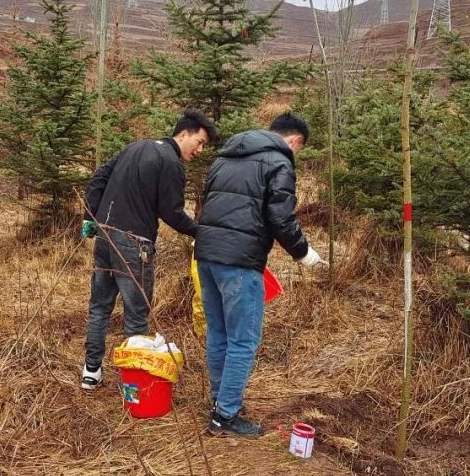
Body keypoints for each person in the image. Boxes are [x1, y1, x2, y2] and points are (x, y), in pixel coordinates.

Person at [195, 112, 327, 437]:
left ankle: (219, 401)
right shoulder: (279, 162)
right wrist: (304, 254)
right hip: (239, 261)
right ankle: (225, 415)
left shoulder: (224, 159)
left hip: (206, 255)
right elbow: (281, 218)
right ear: (295, 141)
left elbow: (205, 203)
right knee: (243, 340)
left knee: (219, 332)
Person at [80, 109, 217, 390]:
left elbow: (99, 178)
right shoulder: (171, 163)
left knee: (99, 308)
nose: (200, 150)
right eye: (200, 142)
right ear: (183, 134)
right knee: (136, 315)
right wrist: (201, 232)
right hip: (135, 246)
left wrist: (90, 216)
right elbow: (172, 212)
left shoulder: (134, 147)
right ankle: (135, 385)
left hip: (105, 237)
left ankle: (91, 372)